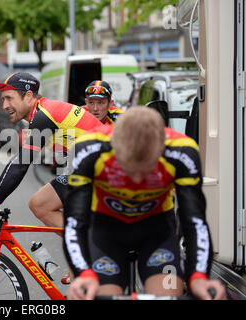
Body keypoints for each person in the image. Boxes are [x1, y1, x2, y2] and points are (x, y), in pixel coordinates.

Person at [64, 106, 226, 300]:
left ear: (162, 149)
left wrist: (199, 276)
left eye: (147, 170)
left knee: (170, 293)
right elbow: (75, 220)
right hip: (106, 233)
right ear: (114, 148)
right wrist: (82, 273)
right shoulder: (89, 148)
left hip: (157, 234)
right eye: (129, 171)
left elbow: (194, 220)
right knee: (91, 293)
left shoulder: (181, 150)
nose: (138, 180)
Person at [0, 72, 102, 255]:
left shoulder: (44, 115)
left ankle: (91, 255)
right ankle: (86, 252)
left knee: (42, 204)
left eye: (9, 98)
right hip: (91, 168)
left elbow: (20, 163)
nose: (4, 106)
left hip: (104, 170)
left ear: (28, 96)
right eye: (3, 100)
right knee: (40, 204)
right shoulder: (43, 112)